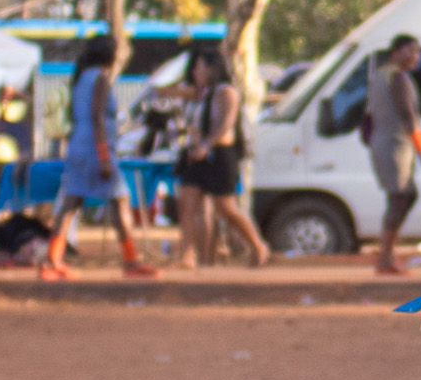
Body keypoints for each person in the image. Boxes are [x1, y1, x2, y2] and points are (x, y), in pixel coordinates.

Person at [40, 35, 158, 281]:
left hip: (78, 146)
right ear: (110, 56)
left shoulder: (81, 77)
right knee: (121, 200)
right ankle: (131, 260)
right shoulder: (101, 79)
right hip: (96, 148)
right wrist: (104, 156)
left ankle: (51, 259)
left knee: (71, 203)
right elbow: (96, 117)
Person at [175, 49, 270, 268]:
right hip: (197, 155)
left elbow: (225, 124)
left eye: (200, 67)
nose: (196, 71)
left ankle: (258, 245)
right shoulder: (200, 93)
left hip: (220, 157)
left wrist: (206, 145)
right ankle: (187, 256)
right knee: (186, 202)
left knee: (225, 208)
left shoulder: (226, 92)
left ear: (213, 68)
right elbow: (165, 91)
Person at [367, 34, 421, 275]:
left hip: (383, 141)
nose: (415, 56)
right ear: (395, 51)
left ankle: (387, 252)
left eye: (418, 52)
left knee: (403, 196)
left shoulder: (380, 74)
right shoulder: (398, 77)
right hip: (395, 144)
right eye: (410, 50)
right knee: (401, 197)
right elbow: (409, 116)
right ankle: (385, 257)